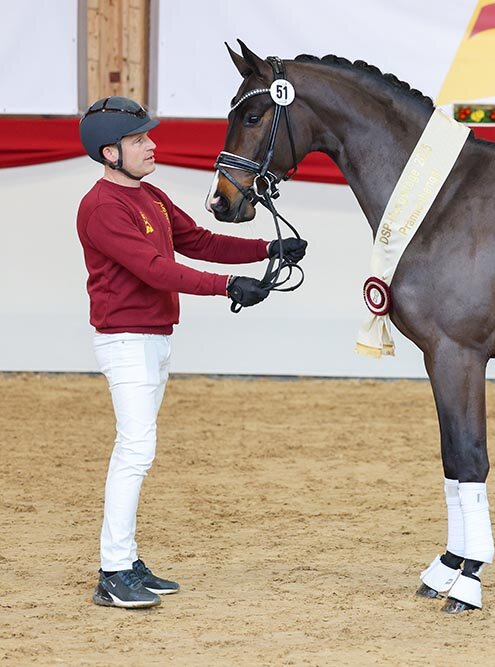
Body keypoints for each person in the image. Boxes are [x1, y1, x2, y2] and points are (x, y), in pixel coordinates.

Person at [76, 96, 307, 609]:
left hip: (153, 337)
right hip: (127, 340)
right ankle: (113, 571)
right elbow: (156, 270)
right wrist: (227, 286)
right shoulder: (102, 208)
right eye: (139, 140)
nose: (151, 146)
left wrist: (265, 249)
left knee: (137, 450)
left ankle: (126, 559)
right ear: (110, 153)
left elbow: (199, 241)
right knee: (135, 451)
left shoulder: (150, 197)